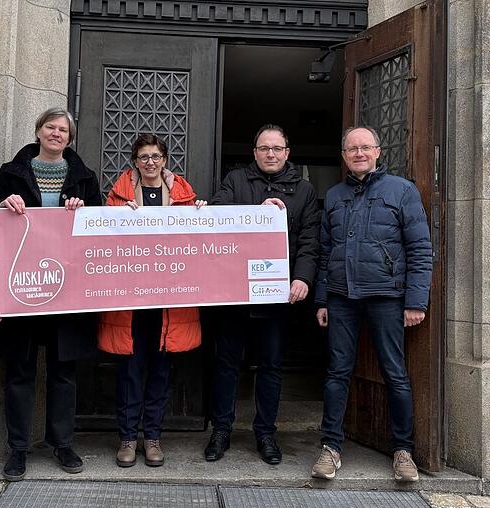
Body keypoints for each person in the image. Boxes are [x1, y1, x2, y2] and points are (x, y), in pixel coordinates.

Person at [0, 107, 102, 480]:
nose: (56, 134)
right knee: (19, 371)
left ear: (70, 137)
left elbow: (99, 230)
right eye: (50, 127)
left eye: (63, 129)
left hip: (67, 291)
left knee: (63, 372)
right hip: (24, 287)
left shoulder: (84, 177)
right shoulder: (12, 172)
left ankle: (62, 444)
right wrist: (5, 206)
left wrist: (82, 211)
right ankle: (18, 449)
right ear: (38, 131)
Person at [312, 126, 433, 481]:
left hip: (387, 297)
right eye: (352, 149)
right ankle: (330, 448)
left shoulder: (402, 191)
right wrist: (322, 299)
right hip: (341, 297)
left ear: (378, 151)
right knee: (337, 373)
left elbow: (420, 250)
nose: (359, 153)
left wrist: (416, 301)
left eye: (365, 147)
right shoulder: (334, 195)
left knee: (395, 373)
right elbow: (324, 253)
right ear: (344, 155)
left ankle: (403, 451)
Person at [204, 124, 320, 465]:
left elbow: (310, 242)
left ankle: (266, 433)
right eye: (264, 148)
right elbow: (216, 216)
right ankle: (221, 430)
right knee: (226, 365)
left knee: (271, 366)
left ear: (287, 153)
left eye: (277, 148)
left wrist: (303, 279)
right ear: (254, 152)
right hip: (236, 294)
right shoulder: (235, 181)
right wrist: (259, 208)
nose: (271, 153)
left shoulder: (304, 191)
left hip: (278, 297)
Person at [98, 134, 207, 467]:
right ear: (135, 161)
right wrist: (118, 218)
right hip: (130, 301)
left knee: (161, 371)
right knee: (131, 371)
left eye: (155, 156)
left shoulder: (185, 198)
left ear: (164, 160)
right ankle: (128, 439)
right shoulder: (116, 198)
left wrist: (203, 216)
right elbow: (102, 242)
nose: (150, 163)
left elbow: (198, 245)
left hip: (169, 301)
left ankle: (154, 438)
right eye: (143, 157)